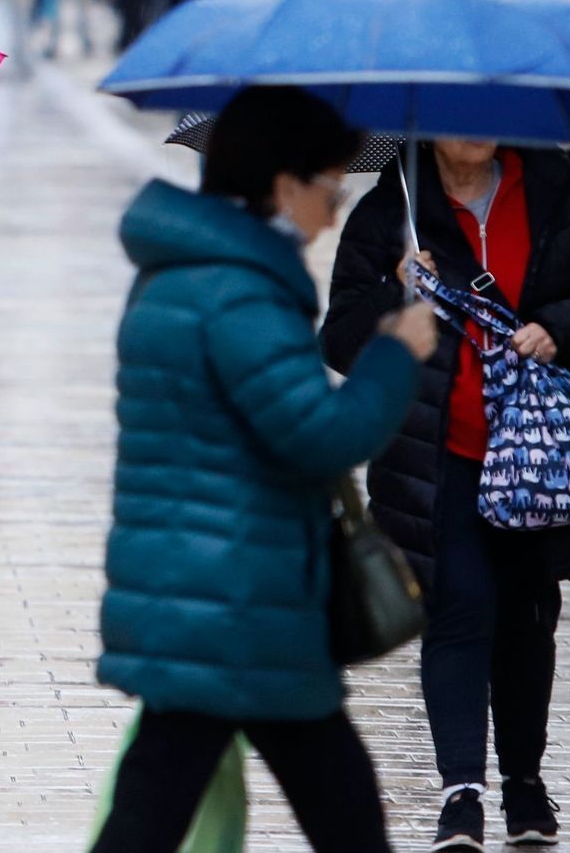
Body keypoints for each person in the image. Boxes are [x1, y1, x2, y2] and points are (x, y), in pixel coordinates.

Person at [94, 87, 437, 853]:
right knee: (342, 812)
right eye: (329, 187)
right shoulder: (241, 292)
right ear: (284, 187)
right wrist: (394, 353)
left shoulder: (187, 272)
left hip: (207, 594)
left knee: (157, 809)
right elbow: (317, 434)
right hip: (242, 601)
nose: (333, 207)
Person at [323, 140, 570, 851]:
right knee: (459, 607)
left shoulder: (553, 189)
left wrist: (557, 330)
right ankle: (462, 795)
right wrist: (392, 296)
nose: (474, 129)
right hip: (437, 454)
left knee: (527, 616)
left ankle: (525, 782)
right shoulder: (392, 210)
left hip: (535, 456)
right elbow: (338, 339)